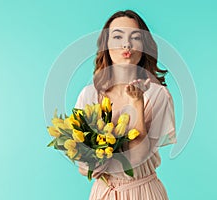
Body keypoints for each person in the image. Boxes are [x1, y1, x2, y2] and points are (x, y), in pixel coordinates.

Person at [75, 10, 177, 200]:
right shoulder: (89, 95)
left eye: (135, 37)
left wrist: (137, 103)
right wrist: (92, 163)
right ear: (105, 45)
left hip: (144, 192)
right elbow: (83, 167)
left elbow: (137, 158)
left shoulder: (157, 96)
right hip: (103, 193)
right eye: (118, 36)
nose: (126, 44)